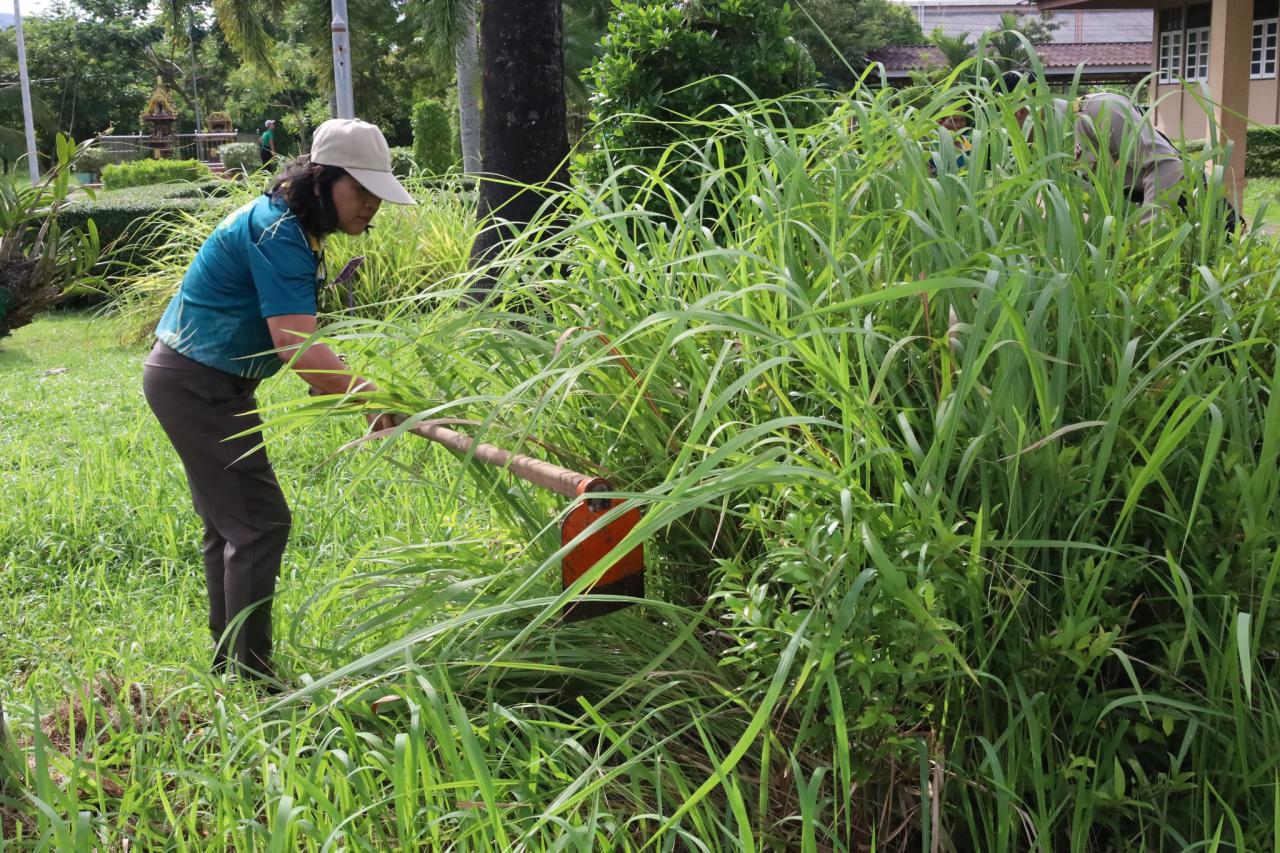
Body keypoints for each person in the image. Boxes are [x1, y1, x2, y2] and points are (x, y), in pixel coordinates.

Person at [142, 118, 415, 686]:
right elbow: (296, 347)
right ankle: (252, 676)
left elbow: (302, 349)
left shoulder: (291, 226)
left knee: (232, 525)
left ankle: (232, 665)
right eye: (360, 191)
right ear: (323, 179)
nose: (370, 206)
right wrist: (370, 393)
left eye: (376, 195)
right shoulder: (279, 233)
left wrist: (350, 391)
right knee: (260, 523)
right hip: (198, 383)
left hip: (201, 379)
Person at [1000, 71, 1240, 231]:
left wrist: (1149, 241)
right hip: (1147, 214)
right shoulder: (1048, 149)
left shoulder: (1098, 112)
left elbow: (1166, 164)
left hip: (1196, 207)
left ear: (1020, 112)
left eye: (1004, 118)